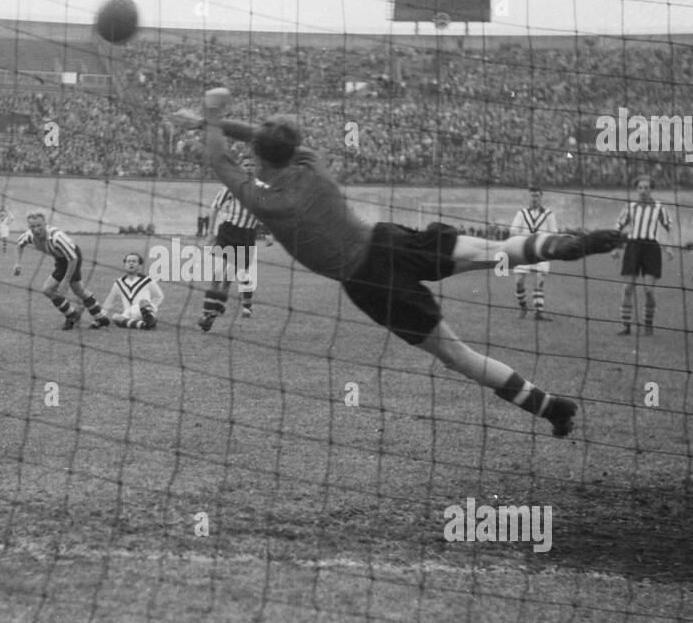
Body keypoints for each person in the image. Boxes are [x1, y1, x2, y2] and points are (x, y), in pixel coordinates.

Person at [182, 90, 625, 438]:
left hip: (369, 283)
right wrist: (217, 117)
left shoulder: (264, 200)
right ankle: (559, 244)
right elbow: (264, 140)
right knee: (487, 252)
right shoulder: (311, 164)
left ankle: (551, 407)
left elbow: (219, 157)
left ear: (257, 159)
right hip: (387, 239)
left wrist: (210, 117)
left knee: (455, 354)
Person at [13, 210, 111, 329]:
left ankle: (88, 317)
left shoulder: (56, 237)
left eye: (39, 225)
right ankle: (85, 316)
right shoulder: (29, 236)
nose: (36, 229)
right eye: (32, 226)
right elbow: (19, 244)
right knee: (59, 289)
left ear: (45, 224)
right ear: (29, 226)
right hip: (60, 260)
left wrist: (65, 281)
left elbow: (73, 258)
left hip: (72, 257)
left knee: (71, 289)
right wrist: (18, 263)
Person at [199, 157, 265, 330]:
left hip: (247, 236)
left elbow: (266, 214)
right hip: (229, 231)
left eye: (252, 165)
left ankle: (212, 315)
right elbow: (214, 208)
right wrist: (211, 233)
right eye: (246, 165)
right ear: (240, 167)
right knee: (218, 274)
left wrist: (269, 233)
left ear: (256, 168)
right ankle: (206, 313)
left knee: (228, 278)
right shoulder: (231, 186)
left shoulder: (262, 189)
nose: (249, 168)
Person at [614, 175, 673, 335]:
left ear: (651, 189)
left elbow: (668, 227)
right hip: (633, 247)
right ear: (636, 189)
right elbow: (618, 226)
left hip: (651, 249)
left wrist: (668, 247)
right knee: (627, 288)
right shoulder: (630, 207)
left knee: (649, 290)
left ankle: (648, 323)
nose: (643, 191)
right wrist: (616, 247)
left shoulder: (659, 207)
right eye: (640, 188)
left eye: (646, 188)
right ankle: (626, 326)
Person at [509, 186, 558, 320]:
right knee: (519, 281)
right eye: (532, 195)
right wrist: (525, 238)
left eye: (537, 196)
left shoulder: (549, 214)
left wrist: (548, 246)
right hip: (523, 251)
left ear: (541, 197)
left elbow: (554, 233)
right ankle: (523, 306)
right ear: (528, 197)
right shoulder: (522, 213)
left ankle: (538, 312)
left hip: (540, 252)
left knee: (539, 281)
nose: (534, 198)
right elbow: (513, 230)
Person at [103, 252, 164, 329]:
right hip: (128, 314)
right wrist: (101, 317)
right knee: (115, 317)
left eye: (134, 262)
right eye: (128, 261)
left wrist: (151, 308)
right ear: (125, 265)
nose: (131, 263)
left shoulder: (147, 280)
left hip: (143, 310)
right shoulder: (119, 283)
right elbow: (109, 302)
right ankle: (145, 325)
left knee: (143, 302)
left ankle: (149, 317)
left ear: (139, 265)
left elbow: (159, 296)